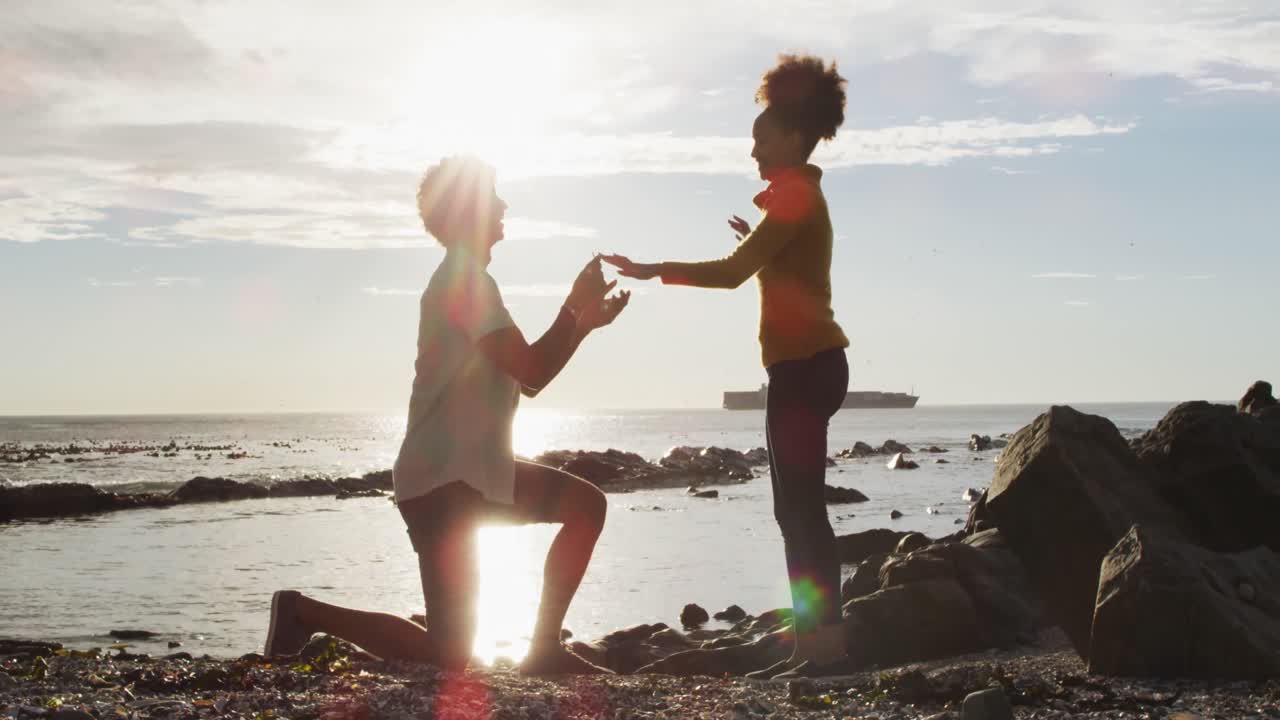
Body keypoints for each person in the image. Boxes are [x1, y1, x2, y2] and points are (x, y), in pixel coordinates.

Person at [265, 156, 629, 675]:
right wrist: (572, 310)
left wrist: (581, 322)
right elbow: (533, 367)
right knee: (451, 653)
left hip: (466, 477)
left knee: (582, 510)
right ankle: (302, 612)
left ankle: (543, 648)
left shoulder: (472, 281)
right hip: (443, 484)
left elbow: (528, 379)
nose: (503, 205)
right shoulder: (464, 283)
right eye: (492, 196)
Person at [603, 54, 851, 679]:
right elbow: (776, 263)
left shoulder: (795, 196)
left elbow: (734, 274)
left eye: (761, 140)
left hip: (803, 368)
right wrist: (755, 239)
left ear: (794, 137)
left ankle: (822, 651)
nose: (754, 152)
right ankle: (815, 647)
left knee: (799, 514)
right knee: (797, 511)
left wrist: (655, 269)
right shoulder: (796, 198)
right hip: (808, 366)